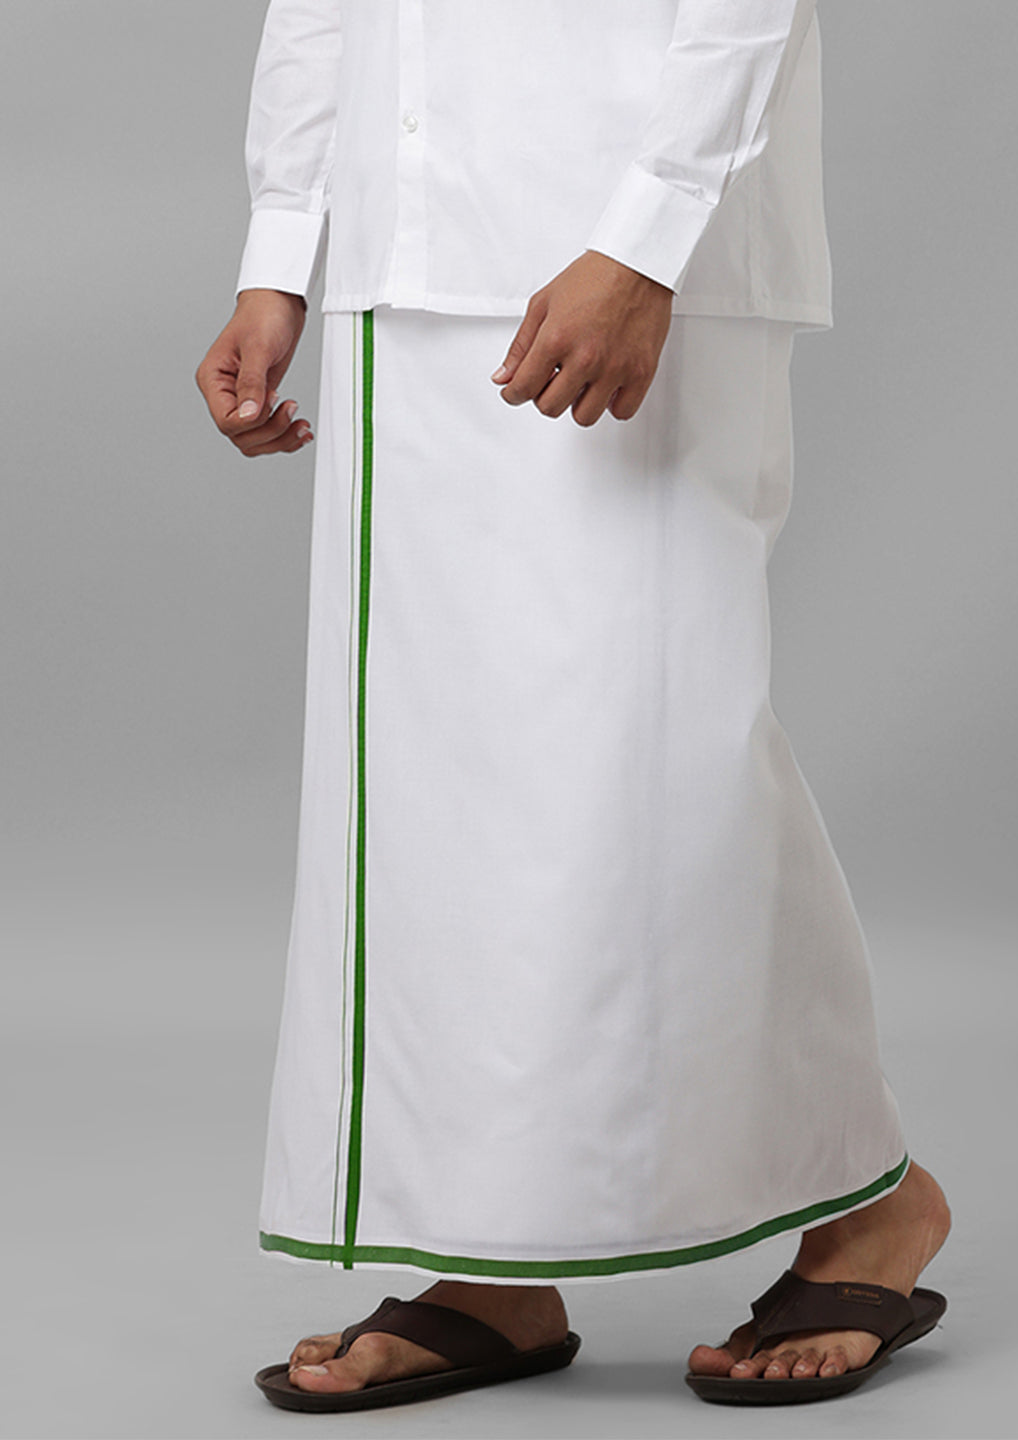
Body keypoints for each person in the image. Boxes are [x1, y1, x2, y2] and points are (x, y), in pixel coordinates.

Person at [196, 0, 951, 1412]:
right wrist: (281, 253)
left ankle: (872, 1203)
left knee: (662, 763)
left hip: (622, 243)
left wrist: (645, 233)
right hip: (402, 256)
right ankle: (491, 1256)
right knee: (441, 786)